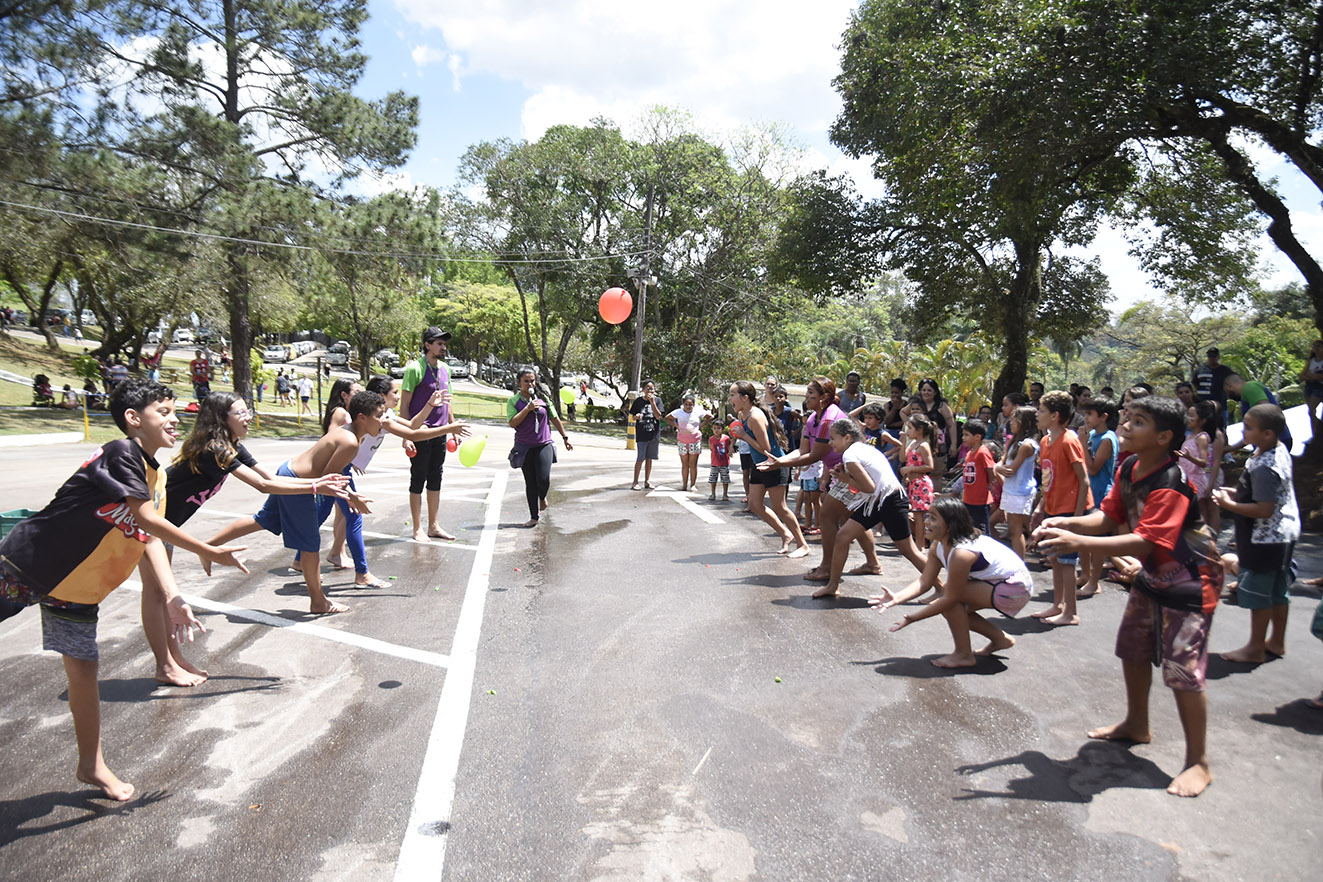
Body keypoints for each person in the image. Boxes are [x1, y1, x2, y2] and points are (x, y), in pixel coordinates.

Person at [0, 379, 249, 801]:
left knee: (84, 671)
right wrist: (209, 549)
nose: (175, 420)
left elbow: (147, 538)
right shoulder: (122, 452)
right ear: (134, 420)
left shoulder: (157, 477)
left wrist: (172, 595)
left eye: (175, 411)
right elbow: (147, 521)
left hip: (78, 588)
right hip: (27, 564)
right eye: (164, 412)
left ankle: (90, 766)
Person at [1033, 395, 1222, 797]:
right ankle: (1137, 724)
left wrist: (1075, 538)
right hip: (1154, 575)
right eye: (1128, 417)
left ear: (1164, 437)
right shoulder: (1132, 467)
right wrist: (1067, 521)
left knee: (1183, 671)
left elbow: (1143, 541)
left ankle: (1198, 762)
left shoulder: (1171, 480)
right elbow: (1109, 517)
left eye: (1139, 421)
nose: (1127, 424)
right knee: (1133, 649)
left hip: (1191, 581)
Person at [154, 391, 352, 685]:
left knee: (160, 596)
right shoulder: (215, 450)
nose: (248, 417)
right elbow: (261, 486)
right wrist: (316, 487)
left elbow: (272, 480)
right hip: (155, 518)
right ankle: (169, 664)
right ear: (222, 419)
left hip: (166, 525)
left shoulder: (233, 447)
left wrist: (316, 483)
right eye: (241, 413)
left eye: (248, 411)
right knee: (160, 596)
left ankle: (171, 662)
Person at [202, 391, 381, 614]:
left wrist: (351, 496)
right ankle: (318, 601)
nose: (383, 422)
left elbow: (330, 475)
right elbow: (329, 476)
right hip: (297, 482)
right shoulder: (351, 441)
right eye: (379, 416)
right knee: (310, 543)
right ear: (363, 417)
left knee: (264, 519)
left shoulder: (352, 434)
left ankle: (208, 546)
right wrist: (353, 498)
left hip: (288, 471)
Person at [871, 495, 1031, 667]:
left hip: (1016, 588)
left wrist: (913, 618)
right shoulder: (938, 546)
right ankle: (1000, 639)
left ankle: (963, 655)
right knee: (953, 604)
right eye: (927, 516)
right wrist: (897, 597)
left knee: (950, 600)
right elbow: (925, 581)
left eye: (933, 518)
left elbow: (950, 598)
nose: (926, 522)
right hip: (1000, 584)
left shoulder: (962, 553)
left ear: (950, 523)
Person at [1213, 403, 1300, 664]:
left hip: (1265, 537)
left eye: (1249, 428)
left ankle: (1255, 647)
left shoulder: (1264, 465)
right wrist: (1237, 495)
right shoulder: (1276, 451)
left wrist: (1229, 505)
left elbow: (1263, 508)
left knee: (1260, 593)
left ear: (1268, 434)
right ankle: (1276, 641)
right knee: (1277, 590)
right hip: (1283, 534)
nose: (1244, 431)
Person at [810, 418, 923, 598]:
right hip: (876, 502)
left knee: (908, 550)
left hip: (890, 500)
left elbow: (868, 486)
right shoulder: (865, 449)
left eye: (833, 438)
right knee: (843, 536)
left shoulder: (850, 455)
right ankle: (833, 586)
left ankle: (945, 590)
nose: (830, 443)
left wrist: (846, 479)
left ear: (847, 438)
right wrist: (848, 475)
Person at [1031, 390, 1093, 626]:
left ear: (1055, 416)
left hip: (1070, 510)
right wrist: (1040, 507)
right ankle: (1058, 605)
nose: (1037, 414)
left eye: (1042, 411)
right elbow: (1047, 479)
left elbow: (1083, 479)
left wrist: (1077, 519)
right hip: (1053, 507)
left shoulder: (1070, 440)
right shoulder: (1046, 441)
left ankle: (1071, 613)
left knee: (1067, 561)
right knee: (1055, 559)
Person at [732, 380, 809, 558]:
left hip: (774, 463)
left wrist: (743, 436)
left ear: (745, 398)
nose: (730, 399)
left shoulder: (754, 416)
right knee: (755, 505)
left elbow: (765, 447)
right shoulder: (743, 414)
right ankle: (785, 534)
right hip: (760, 465)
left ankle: (803, 544)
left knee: (780, 507)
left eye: (732, 395)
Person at [400, 327, 457, 542]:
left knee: (436, 478)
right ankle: (417, 529)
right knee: (418, 479)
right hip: (420, 432)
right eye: (439, 343)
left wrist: (452, 428)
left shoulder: (445, 369)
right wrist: (407, 435)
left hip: (440, 432)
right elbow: (404, 405)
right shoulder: (415, 369)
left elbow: (447, 401)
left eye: (444, 344)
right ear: (427, 345)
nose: (443, 347)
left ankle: (434, 526)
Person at [508, 368, 573, 527]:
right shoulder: (514, 401)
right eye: (526, 381)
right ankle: (533, 517)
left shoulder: (543, 398)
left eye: (532, 380)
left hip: (543, 445)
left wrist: (565, 437)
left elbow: (554, 417)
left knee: (543, 479)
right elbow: (512, 423)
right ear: (519, 383)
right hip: (524, 447)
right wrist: (527, 409)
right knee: (530, 482)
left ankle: (542, 497)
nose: (529, 384)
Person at [1080, 397, 1119, 597]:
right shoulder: (1093, 434)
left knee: (1097, 539)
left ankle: (1095, 581)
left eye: (1089, 414)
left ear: (1103, 417)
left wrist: (1083, 445)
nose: (1086, 418)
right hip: (1089, 492)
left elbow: (1094, 468)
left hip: (1101, 492)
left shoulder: (1107, 439)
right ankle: (1085, 575)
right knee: (1085, 536)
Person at [995, 405, 1039, 561]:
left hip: (1020, 492)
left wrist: (997, 468)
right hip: (1011, 489)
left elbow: (1010, 470)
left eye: (1015, 420)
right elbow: (1003, 462)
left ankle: (1020, 562)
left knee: (1015, 530)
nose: (1011, 423)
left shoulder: (1027, 445)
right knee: (1017, 525)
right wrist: (999, 467)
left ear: (1025, 423)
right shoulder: (1014, 441)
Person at [1224, 374, 1293, 451]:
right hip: (1270, 443)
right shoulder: (1246, 396)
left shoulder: (1250, 387)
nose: (1227, 395)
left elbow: (1266, 412)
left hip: (1273, 443)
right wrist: (1230, 449)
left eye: (1225, 392)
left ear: (1229, 386)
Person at [901, 413, 936, 551]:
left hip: (921, 483)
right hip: (913, 484)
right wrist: (903, 441)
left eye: (910, 428)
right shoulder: (914, 444)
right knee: (916, 514)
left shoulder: (923, 445)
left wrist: (911, 469)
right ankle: (920, 542)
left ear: (919, 430)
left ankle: (920, 544)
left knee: (919, 515)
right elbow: (903, 457)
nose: (908, 431)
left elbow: (930, 466)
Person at [665, 392, 709, 492]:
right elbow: (667, 418)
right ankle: (684, 485)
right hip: (682, 441)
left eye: (691, 404)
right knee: (685, 464)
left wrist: (701, 425)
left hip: (695, 440)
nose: (688, 406)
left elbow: (710, 417)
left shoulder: (698, 411)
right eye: (686, 404)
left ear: (693, 405)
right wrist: (676, 426)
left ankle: (693, 484)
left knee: (693, 464)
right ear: (683, 404)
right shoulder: (678, 412)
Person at [960, 419, 997, 533]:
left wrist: (988, 483)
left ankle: (985, 551)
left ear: (977, 437)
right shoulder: (969, 453)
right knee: (969, 528)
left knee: (982, 530)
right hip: (968, 498)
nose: (963, 438)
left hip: (980, 500)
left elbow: (990, 469)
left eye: (966, 435)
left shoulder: (982, 452)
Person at [917, 378, 959, 473]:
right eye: (924, 390)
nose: (926, 393)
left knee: (936, 474)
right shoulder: (916, 404)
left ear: (935, 392)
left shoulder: (941, 406)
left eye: (929, 390)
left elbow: (952, 424)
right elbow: (903, 412)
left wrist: (953, 445)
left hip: (938, 445)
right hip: (919, 443)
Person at [630, 379, 663, 490]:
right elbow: (632, 416)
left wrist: (652, 402)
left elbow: (659, 416)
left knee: (650, 458)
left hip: (653, 434)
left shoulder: (657, 400)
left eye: (652, 388)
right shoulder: (638, 401)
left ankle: (647, 481)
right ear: (643, 390)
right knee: (640, 458)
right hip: (642, 433)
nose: (650, 390)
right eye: (647, 388)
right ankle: (635, 482)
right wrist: (636, 416)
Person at [1301, 339, 1323, 442]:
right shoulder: (1311, 361)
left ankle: (1319, 430)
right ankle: (1315, 434)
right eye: (1314, 346)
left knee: (1312, 409)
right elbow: (1302, 375)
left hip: (1319, 388)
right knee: (1310, 412)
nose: (1316, 348)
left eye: (1318, 346)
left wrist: (1314, 376)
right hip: (1309, 387)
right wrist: (1312, 377)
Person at [708, 427, 731, 501]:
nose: (716, 430)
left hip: (724, 463)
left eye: (718, 428)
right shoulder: (711, 439)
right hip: (714, 463)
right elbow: (711, 448)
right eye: (714, 428)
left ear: (722, 429)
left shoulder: (726, 438)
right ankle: (713, 493)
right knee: (713, 479)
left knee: (725, 479)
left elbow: (729, 447)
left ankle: (725, 494)